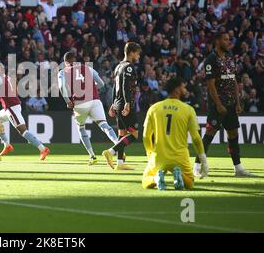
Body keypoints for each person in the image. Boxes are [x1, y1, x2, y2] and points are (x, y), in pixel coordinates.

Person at [193, 32, 255, 177]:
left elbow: (233, 80)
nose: (228, 42)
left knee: (233, 133)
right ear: (217, 41)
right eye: (225, 39)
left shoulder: (229, 58)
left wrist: (237, 102)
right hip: (218, 105)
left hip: (231, 104)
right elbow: (210, 84)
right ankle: (196, 166)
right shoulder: (211, 59)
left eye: (229, 39)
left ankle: (238, 168)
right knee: (209, 134)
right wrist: (219, 104)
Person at [142, 77, 209, 190]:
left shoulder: (154, 108)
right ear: (177, 89)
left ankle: (156, 178)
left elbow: (146, 136)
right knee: (190, 182)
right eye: (183, 86)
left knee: (145, 181)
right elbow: (196, 138)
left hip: (159, 156)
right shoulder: (188, 109)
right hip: (180, 157)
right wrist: (203, 160)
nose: (185, 88)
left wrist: (150, 154)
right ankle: (180, 176)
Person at [58, 52, 119, 166]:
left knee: (81, 128)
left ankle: (92, 156)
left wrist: (67, 101)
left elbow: (61, 86)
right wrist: (92, 87)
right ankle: (118, 146)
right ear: (74, 60)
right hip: (95, 101)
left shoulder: (63, 72)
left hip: (80, 104)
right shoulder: (87, 68)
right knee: (104, 125)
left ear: (65, 62)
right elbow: (101, 83)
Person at [0, 60, 50, 161]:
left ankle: (43, 149)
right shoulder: (5, 76)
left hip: (11, 107)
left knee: (23, 131)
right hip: (9, 107)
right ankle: (7, 145)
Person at [103, 42, 142, 170]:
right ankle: (111, 151)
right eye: (137, 53)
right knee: (134, 135)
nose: (138, 56)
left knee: (122, 133)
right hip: (125, 104)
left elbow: (115, 87)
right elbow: (125, 86)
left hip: (118, 104)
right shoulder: (129, 67)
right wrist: (127, 103)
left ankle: (120, 164)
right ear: (131, 52)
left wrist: (113, 104)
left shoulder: (119, 66)